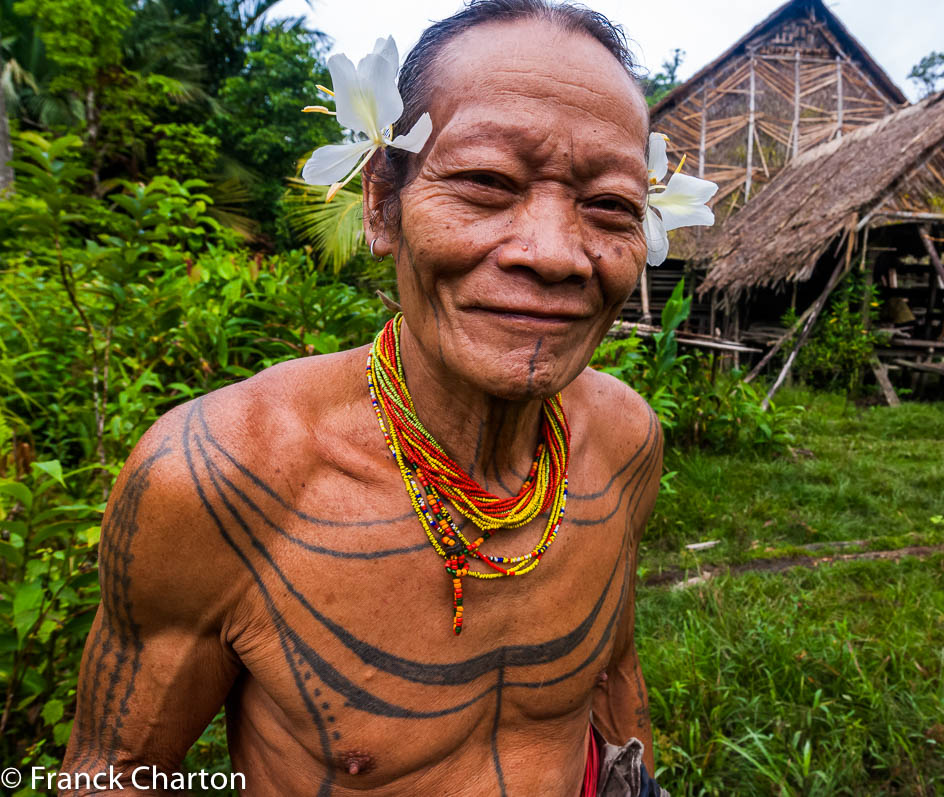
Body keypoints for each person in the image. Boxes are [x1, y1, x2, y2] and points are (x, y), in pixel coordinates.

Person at [59, 0, 713, 794]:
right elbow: (109, 776)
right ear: (380, 203)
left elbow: (609, 670)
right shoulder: (219, 478)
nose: (553, 254)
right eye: (484, 183)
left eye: (610, 206)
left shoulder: (625, 441)